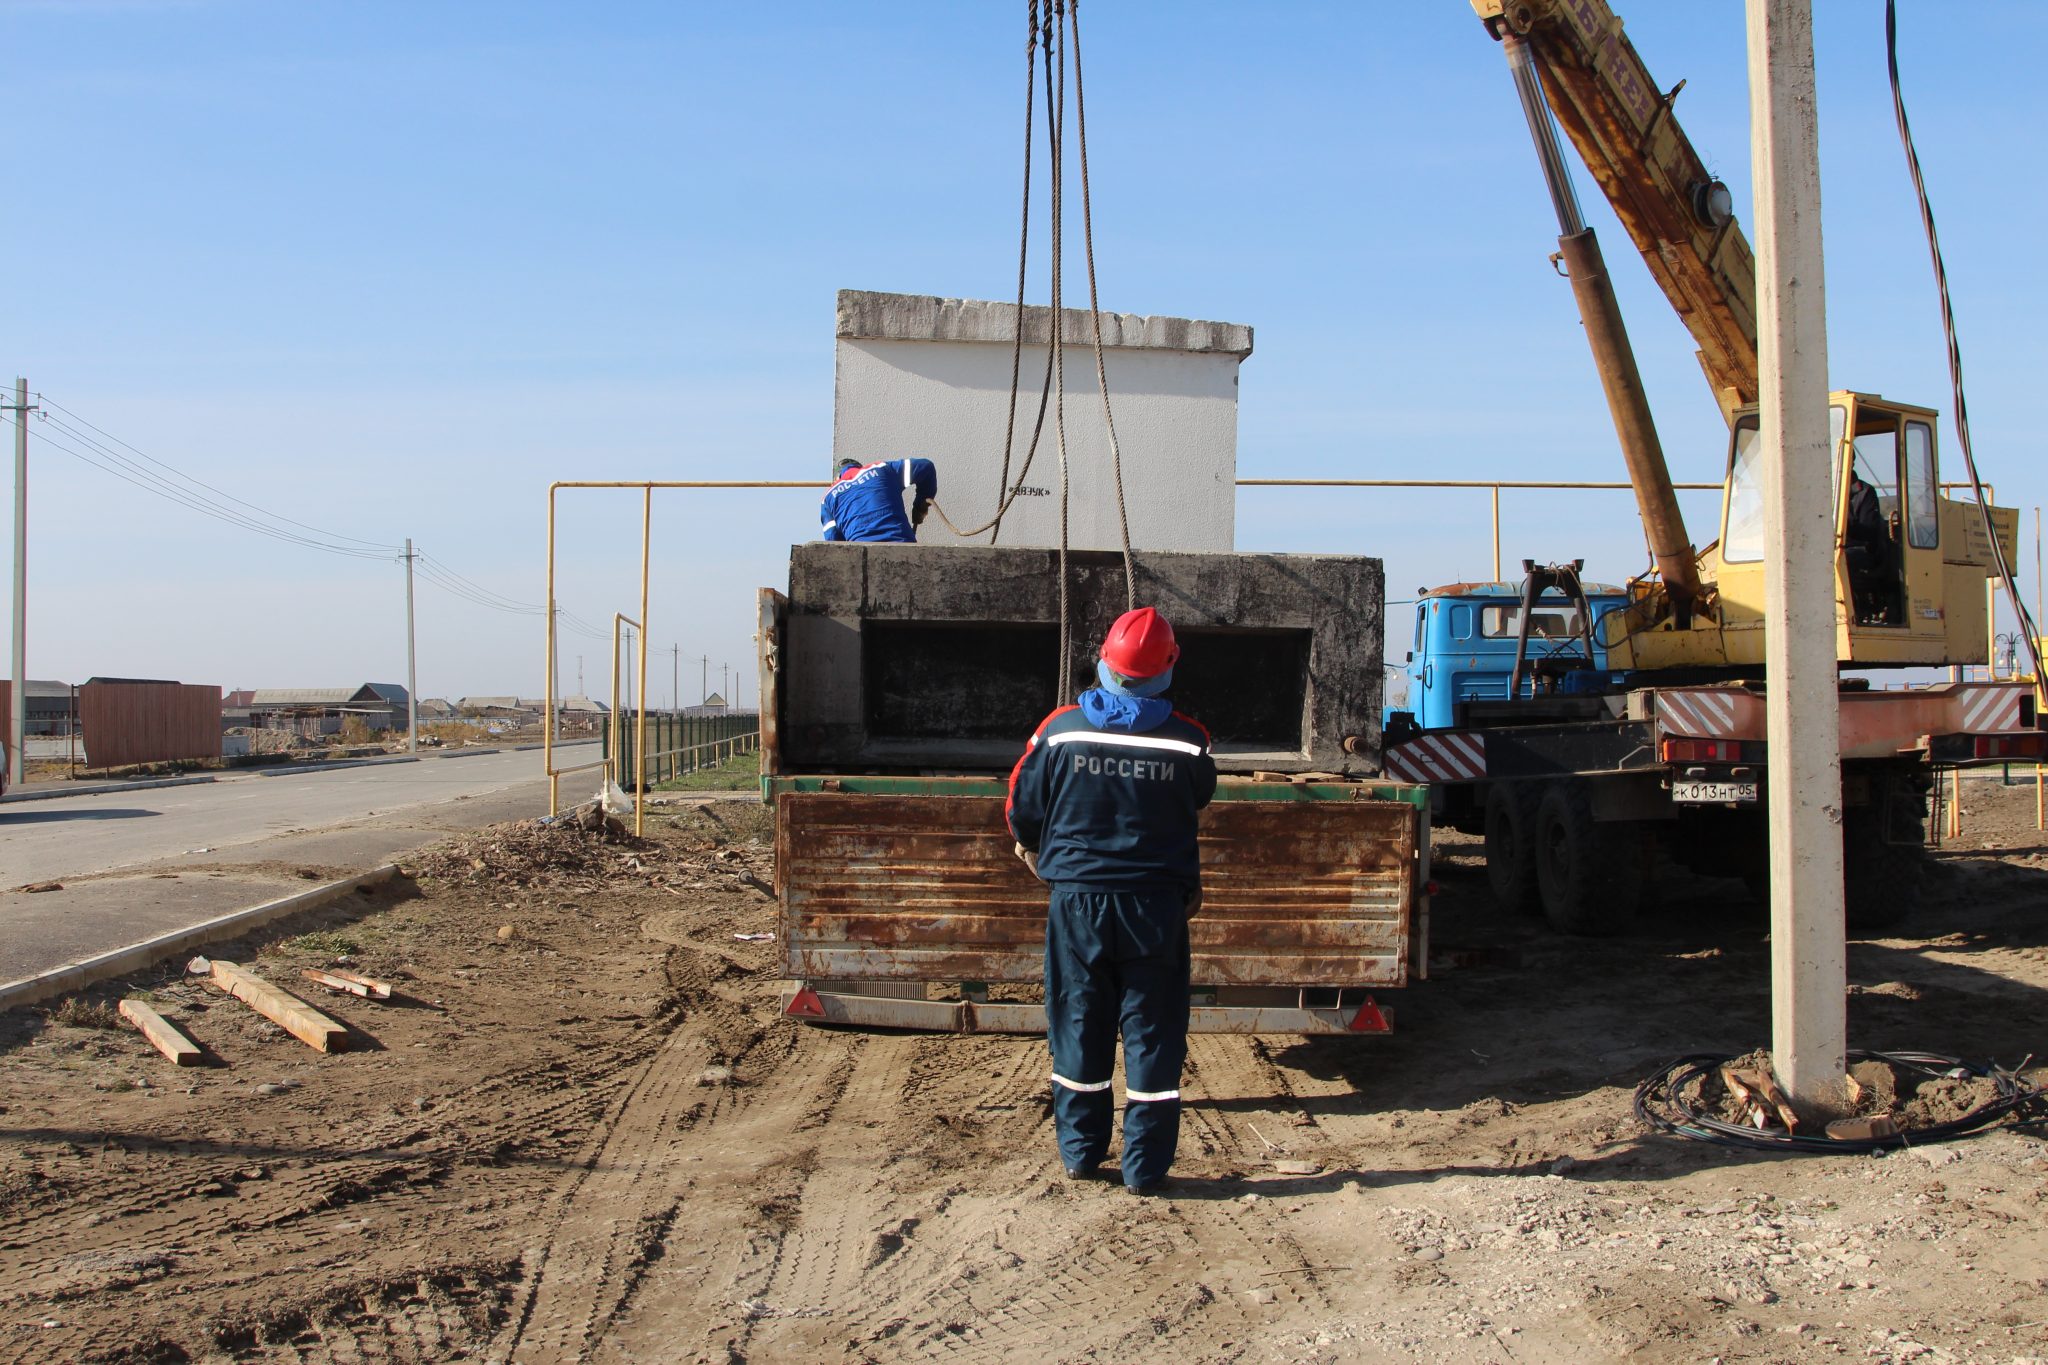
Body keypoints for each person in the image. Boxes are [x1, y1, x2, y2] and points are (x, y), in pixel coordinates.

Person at [1005, 607, 1217, 1194]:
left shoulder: (1060, 730)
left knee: (1078, 1018)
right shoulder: (1191, 742)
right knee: (1153, 1028)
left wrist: (1033, 848)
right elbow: (1199, 797)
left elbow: (1021, 806)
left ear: (1104, 660)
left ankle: (1079, 1153)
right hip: (1156, 907)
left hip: (1078, 903)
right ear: (1167, 667)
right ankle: (1144, 1168)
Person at [820, 456, 938, 544]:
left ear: (837, 478)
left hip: (861, 554)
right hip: (902, 543)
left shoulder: (829, 496)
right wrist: (920, 507)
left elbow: (833, 541)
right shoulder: (881, 469)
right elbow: (926, 466)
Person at [1845, 470, 1892, 622]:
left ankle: (1858, 610)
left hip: (1862, 550)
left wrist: (1845, 525)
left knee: (1842, 559)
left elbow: (1868, 531)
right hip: (1837, 547)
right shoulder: (1827, 489)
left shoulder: (1865, 492)